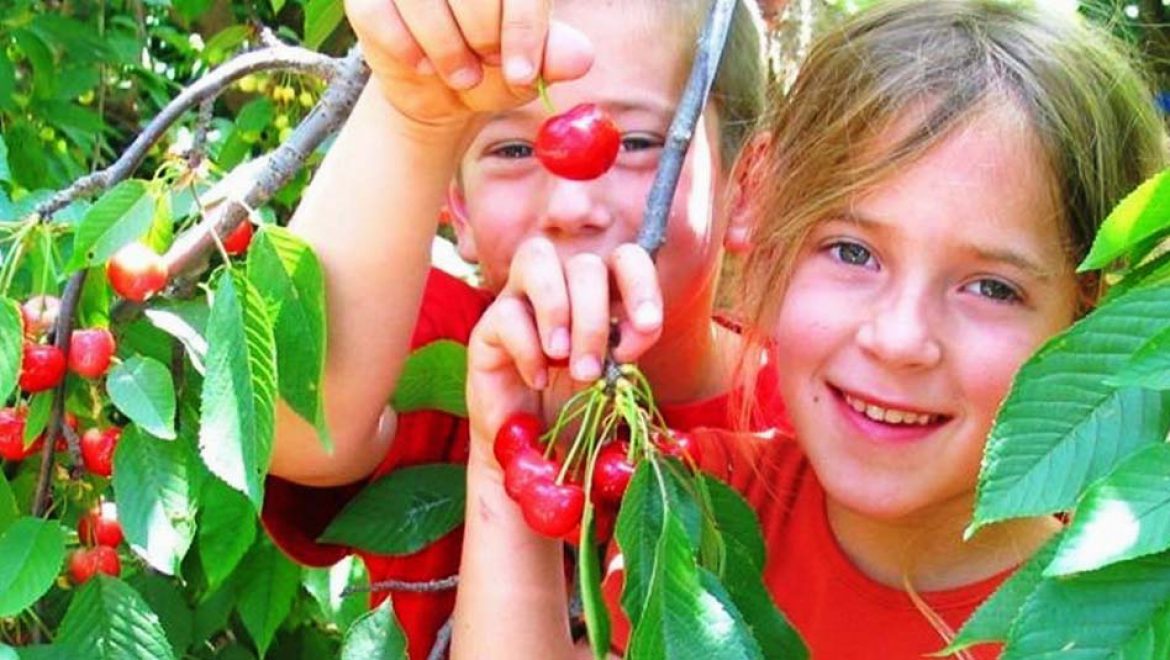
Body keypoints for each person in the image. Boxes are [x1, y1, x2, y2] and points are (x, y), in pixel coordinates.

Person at [454, 0, 1168, 657]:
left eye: (992, 288)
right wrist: (507, 445)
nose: (898, 339)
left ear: (1088, 322)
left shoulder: (1110, 622)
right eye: (852, 253)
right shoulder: (700, 503)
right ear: (773, 239)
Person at [260, 0, 777, 657]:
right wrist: (412, 113)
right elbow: (298, 420)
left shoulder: (821, 421)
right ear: (458, 209)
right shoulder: (440, 349)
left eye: (638, 143)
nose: (571, 204)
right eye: (510, 149)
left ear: (747, 187)